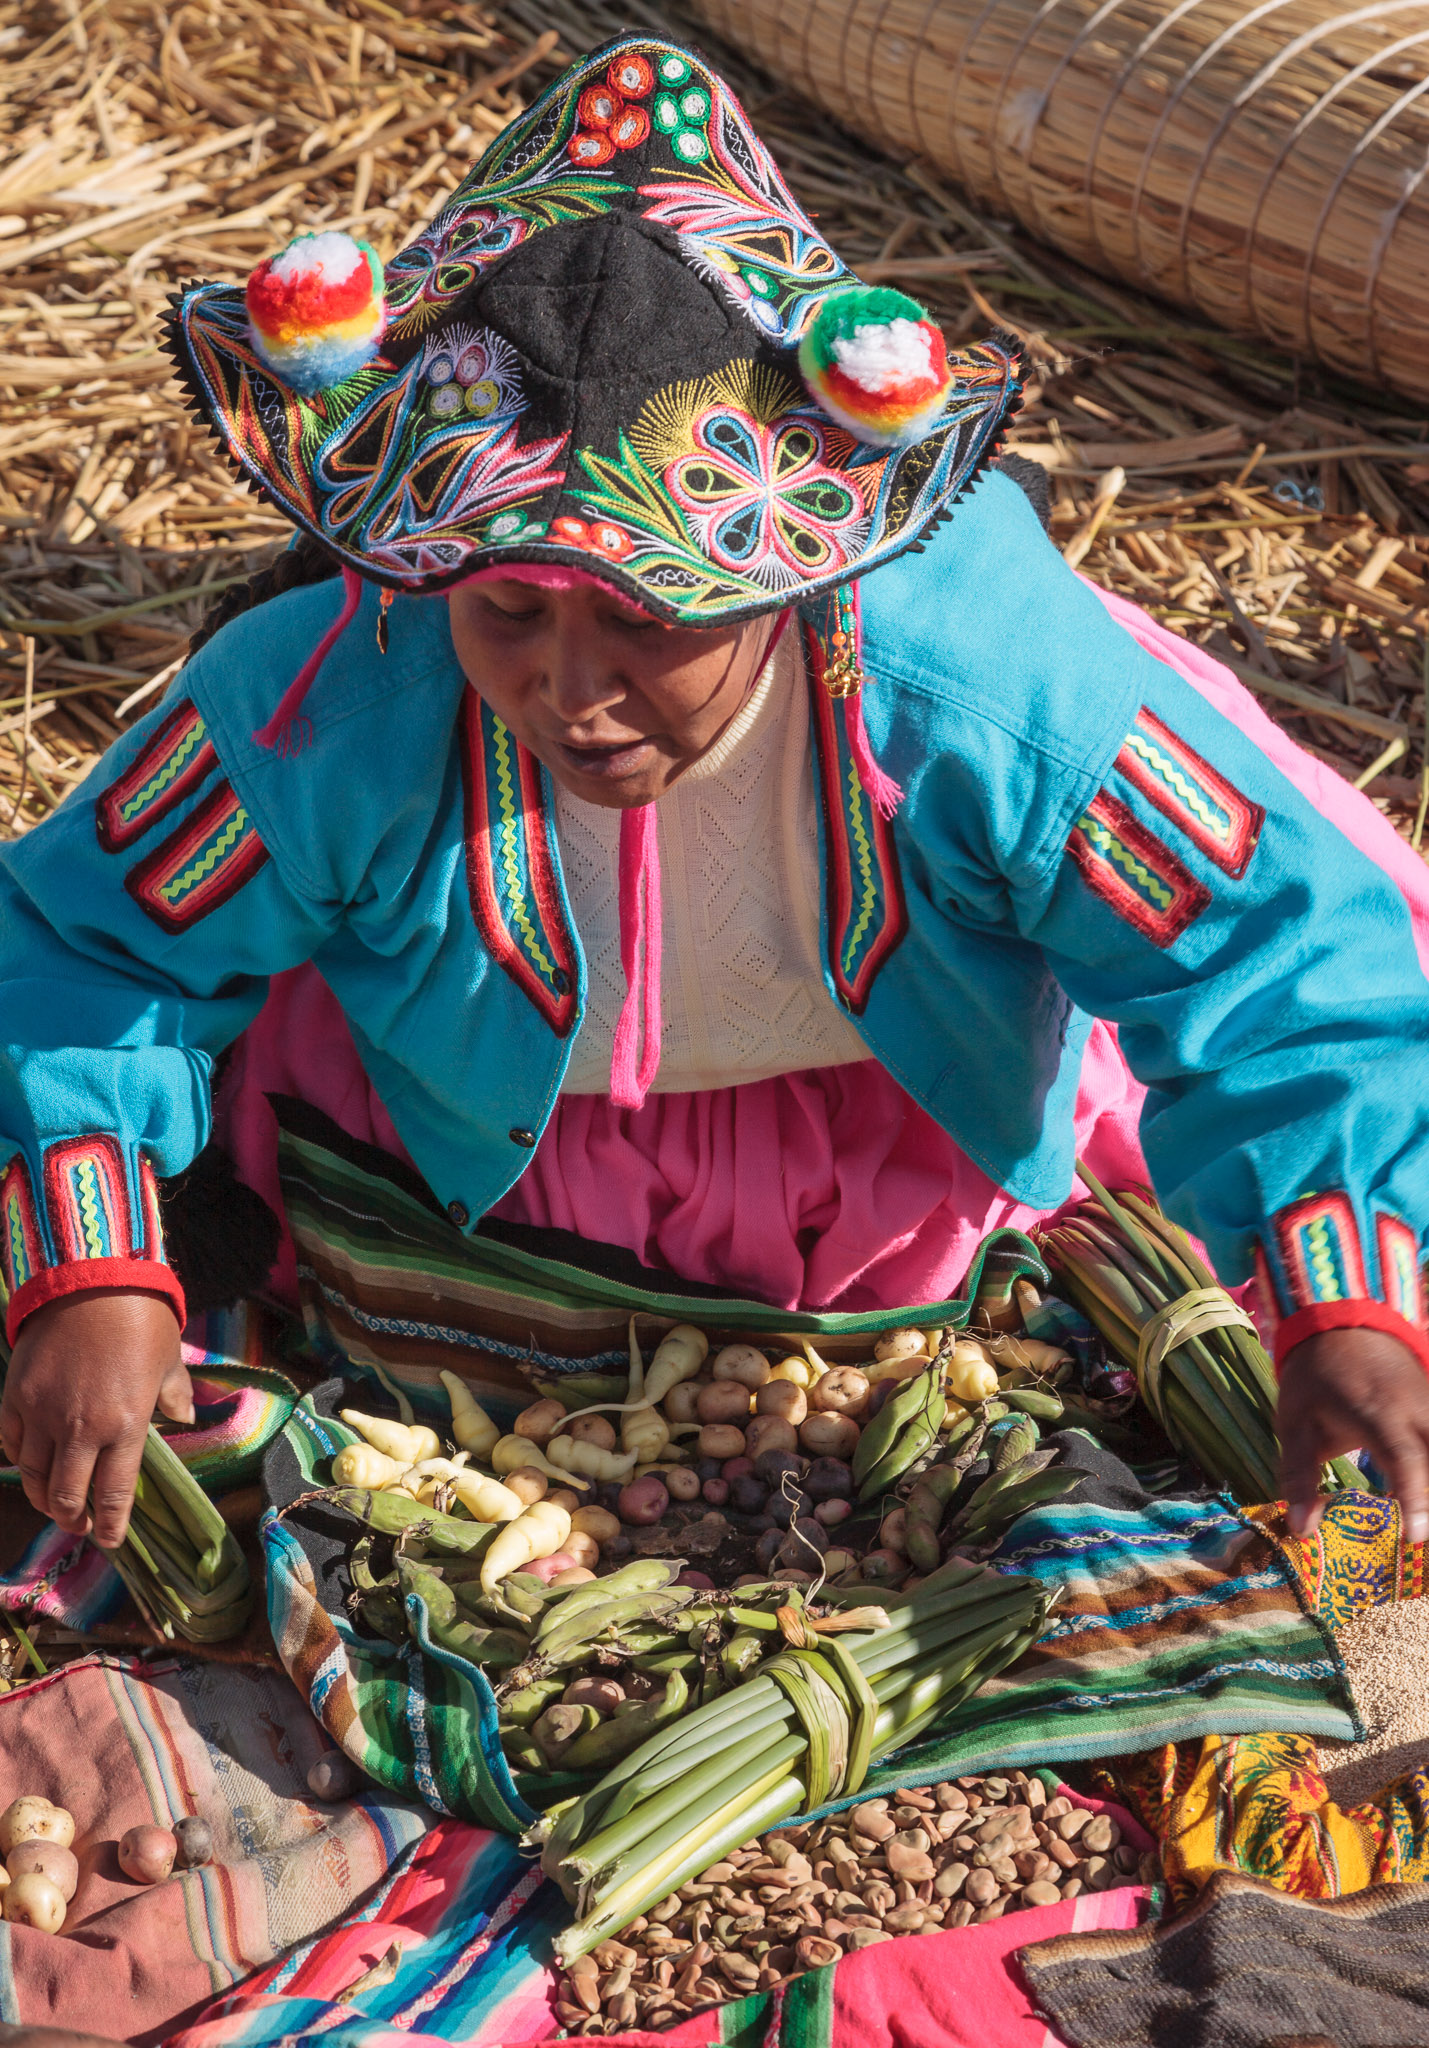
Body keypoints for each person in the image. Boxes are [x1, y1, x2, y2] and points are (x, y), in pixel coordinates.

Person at [1, 33, 1427, 1562]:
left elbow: (1270, 961)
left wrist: (1336, 1300)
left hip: (883, 1131)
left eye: (650, 622)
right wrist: (91, 1271)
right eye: (511, 616)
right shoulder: (338, 695)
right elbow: (84, 953)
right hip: (467, 1129)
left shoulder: (982, 699)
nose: (572, 693)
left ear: (787, 580)